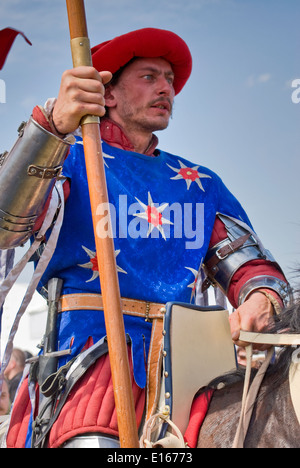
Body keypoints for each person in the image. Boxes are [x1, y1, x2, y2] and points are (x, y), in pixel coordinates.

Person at [0, 28, 290, 448]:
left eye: (170, 79)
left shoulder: (199, 183)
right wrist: (49, 128)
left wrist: (261, 296)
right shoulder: (67, 156)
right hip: (90, 360)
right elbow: (5, 227)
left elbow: (247, 263)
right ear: (108, 93)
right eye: (149, 77)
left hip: (193, 366)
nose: (167, 89)